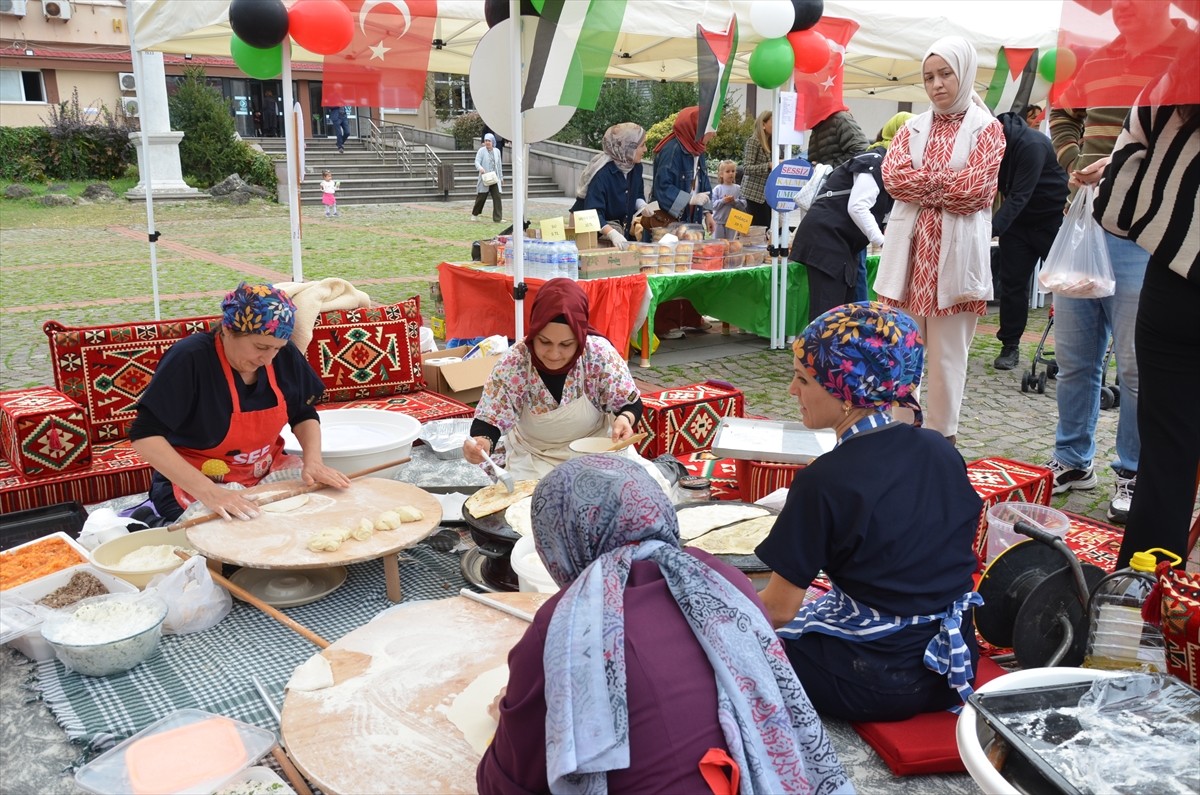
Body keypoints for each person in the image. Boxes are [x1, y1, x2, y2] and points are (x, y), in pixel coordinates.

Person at [477, 455, 853, 794]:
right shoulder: (725, 581)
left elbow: (503, 786)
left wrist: (509, 725)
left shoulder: (564, 625)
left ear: (559, 540)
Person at [755, 302, 983, 722]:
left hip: (873, 681)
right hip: (953, 660)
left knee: (739, 647)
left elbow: (777, 609)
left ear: (846, 394)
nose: (791, 391)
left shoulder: (824, 480)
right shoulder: (939, 449)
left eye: (803, 379)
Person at [1045, 0, 1190, 522]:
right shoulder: (1094, 59)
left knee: (1137, 367)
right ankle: (1071, 458)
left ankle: (1131, 471)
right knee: (1075, 358)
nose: (1121, 9)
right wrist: (1073, 160)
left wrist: (1127, 164)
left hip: (1143, 233)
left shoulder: (1186, 55)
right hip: (1083, 222)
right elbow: (1060, 112)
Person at [1093, 47, 1199, 568]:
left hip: (1178, 285)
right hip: (1172, 296)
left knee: (1167, 458)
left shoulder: (1172, 83)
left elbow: (1116, 201)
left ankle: (1148, 595)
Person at [129, 283, 351, 523]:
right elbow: (144, 435)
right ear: (227, 329)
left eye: (276, 349)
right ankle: (147, 521)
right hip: (196, 480)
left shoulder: (283, 356)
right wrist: (211, 493)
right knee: (229, 539)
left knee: (316, 515)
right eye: (261, 347)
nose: (268, 360)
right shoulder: (191, 358)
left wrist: (314, 462)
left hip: (266, 469)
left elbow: (302, 412)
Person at [876, 36, 1005, 444]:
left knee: (949, 359)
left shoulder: (988, 130)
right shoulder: (911, 128)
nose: (936, 85)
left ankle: (941, 440)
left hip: (953, 262)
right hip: (910, 261)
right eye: (929, 77)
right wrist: (946, 186)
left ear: (964, 73)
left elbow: (977, 190)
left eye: (945, 73)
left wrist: (923, 186)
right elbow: (893, 179)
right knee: (901, 351)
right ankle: (900, 434)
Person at [462, 279, 644, 480]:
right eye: (544, 341)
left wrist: (625, 418)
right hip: (536, 457)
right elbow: (489, 419)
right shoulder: (516, 362)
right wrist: (482, 442)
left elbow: (631, 403)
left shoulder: (598, 355)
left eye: (566, 344)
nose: (554, 354)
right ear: (533, 332)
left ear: (580, 338)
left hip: (596, 452)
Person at [990, 110, 1068, 370]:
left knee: (1065, 284)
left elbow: (1020, 195)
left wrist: (991, 229)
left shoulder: (1031, 144)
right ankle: (1010, 346)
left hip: (1051, 220)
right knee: (1013, 284)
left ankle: (1070, 350)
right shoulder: (994, 145)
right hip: (1019, 225)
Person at [789, 143, 895, 321]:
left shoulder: (887, 170)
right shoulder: (875, 163)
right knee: (828, 313)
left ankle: (835, 347)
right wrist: (882, 242)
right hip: (826, 239)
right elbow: (858, 207)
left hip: (842, 242)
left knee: (844, 312)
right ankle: (819, 348)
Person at [569, 122, 649, 251]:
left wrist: (641, 205)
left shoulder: (636, 167)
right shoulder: (602, 174)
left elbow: (637, 193)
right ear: (628, 147)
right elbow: (593, 213)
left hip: (618, 230)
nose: (645, 149)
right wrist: (612, 233)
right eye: (642, 145)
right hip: (592, 233)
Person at [650, 106, 715, 234]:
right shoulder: (672, 151)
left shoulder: (697, 149)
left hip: (691, 222)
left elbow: (704, 183)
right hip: (669, 226)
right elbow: (662, 187)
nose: (714, 134)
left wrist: (708, 213)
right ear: (697, 129)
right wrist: (689, 199)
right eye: (710, 130)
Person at [740, 109, 775, 227]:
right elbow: (747, 168)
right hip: (754, 195)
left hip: (767, 194)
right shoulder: (753, 141)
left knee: (767, 226)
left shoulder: (773, 143)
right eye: (773, 122)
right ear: (763, 124)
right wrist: (769, 165)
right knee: (758, 228)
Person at [710, 159, 747, 240]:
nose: (731, 173)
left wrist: (735, 201)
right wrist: (723, 201)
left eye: (733, 171)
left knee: (731, 244)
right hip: (718, 222)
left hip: (733, 222)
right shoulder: (717, 189)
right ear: (721, 174)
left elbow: (744, 204)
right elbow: (712, 205)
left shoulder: (738, 188)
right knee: (718, 244)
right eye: (728, 171)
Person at [472, 133, 503, 223]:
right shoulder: (481, 151)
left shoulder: (497, 151)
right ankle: (475, 214)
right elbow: (477, 161)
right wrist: (480, 168)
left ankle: (498, 218)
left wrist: (501, 177)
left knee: (497, 197)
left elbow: (499, 165)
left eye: (489, 141)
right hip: (485, 177)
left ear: (492, 141)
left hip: (494, 178)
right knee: (481, 197)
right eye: (486, 141)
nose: (487, 142)